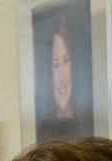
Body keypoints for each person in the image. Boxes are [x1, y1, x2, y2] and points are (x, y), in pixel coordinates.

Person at [36, 11, 94, 143]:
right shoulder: (43, 130)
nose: (61, 76)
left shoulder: (88, 121)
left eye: (66, 61)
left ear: (74, 66)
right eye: (56, 65)